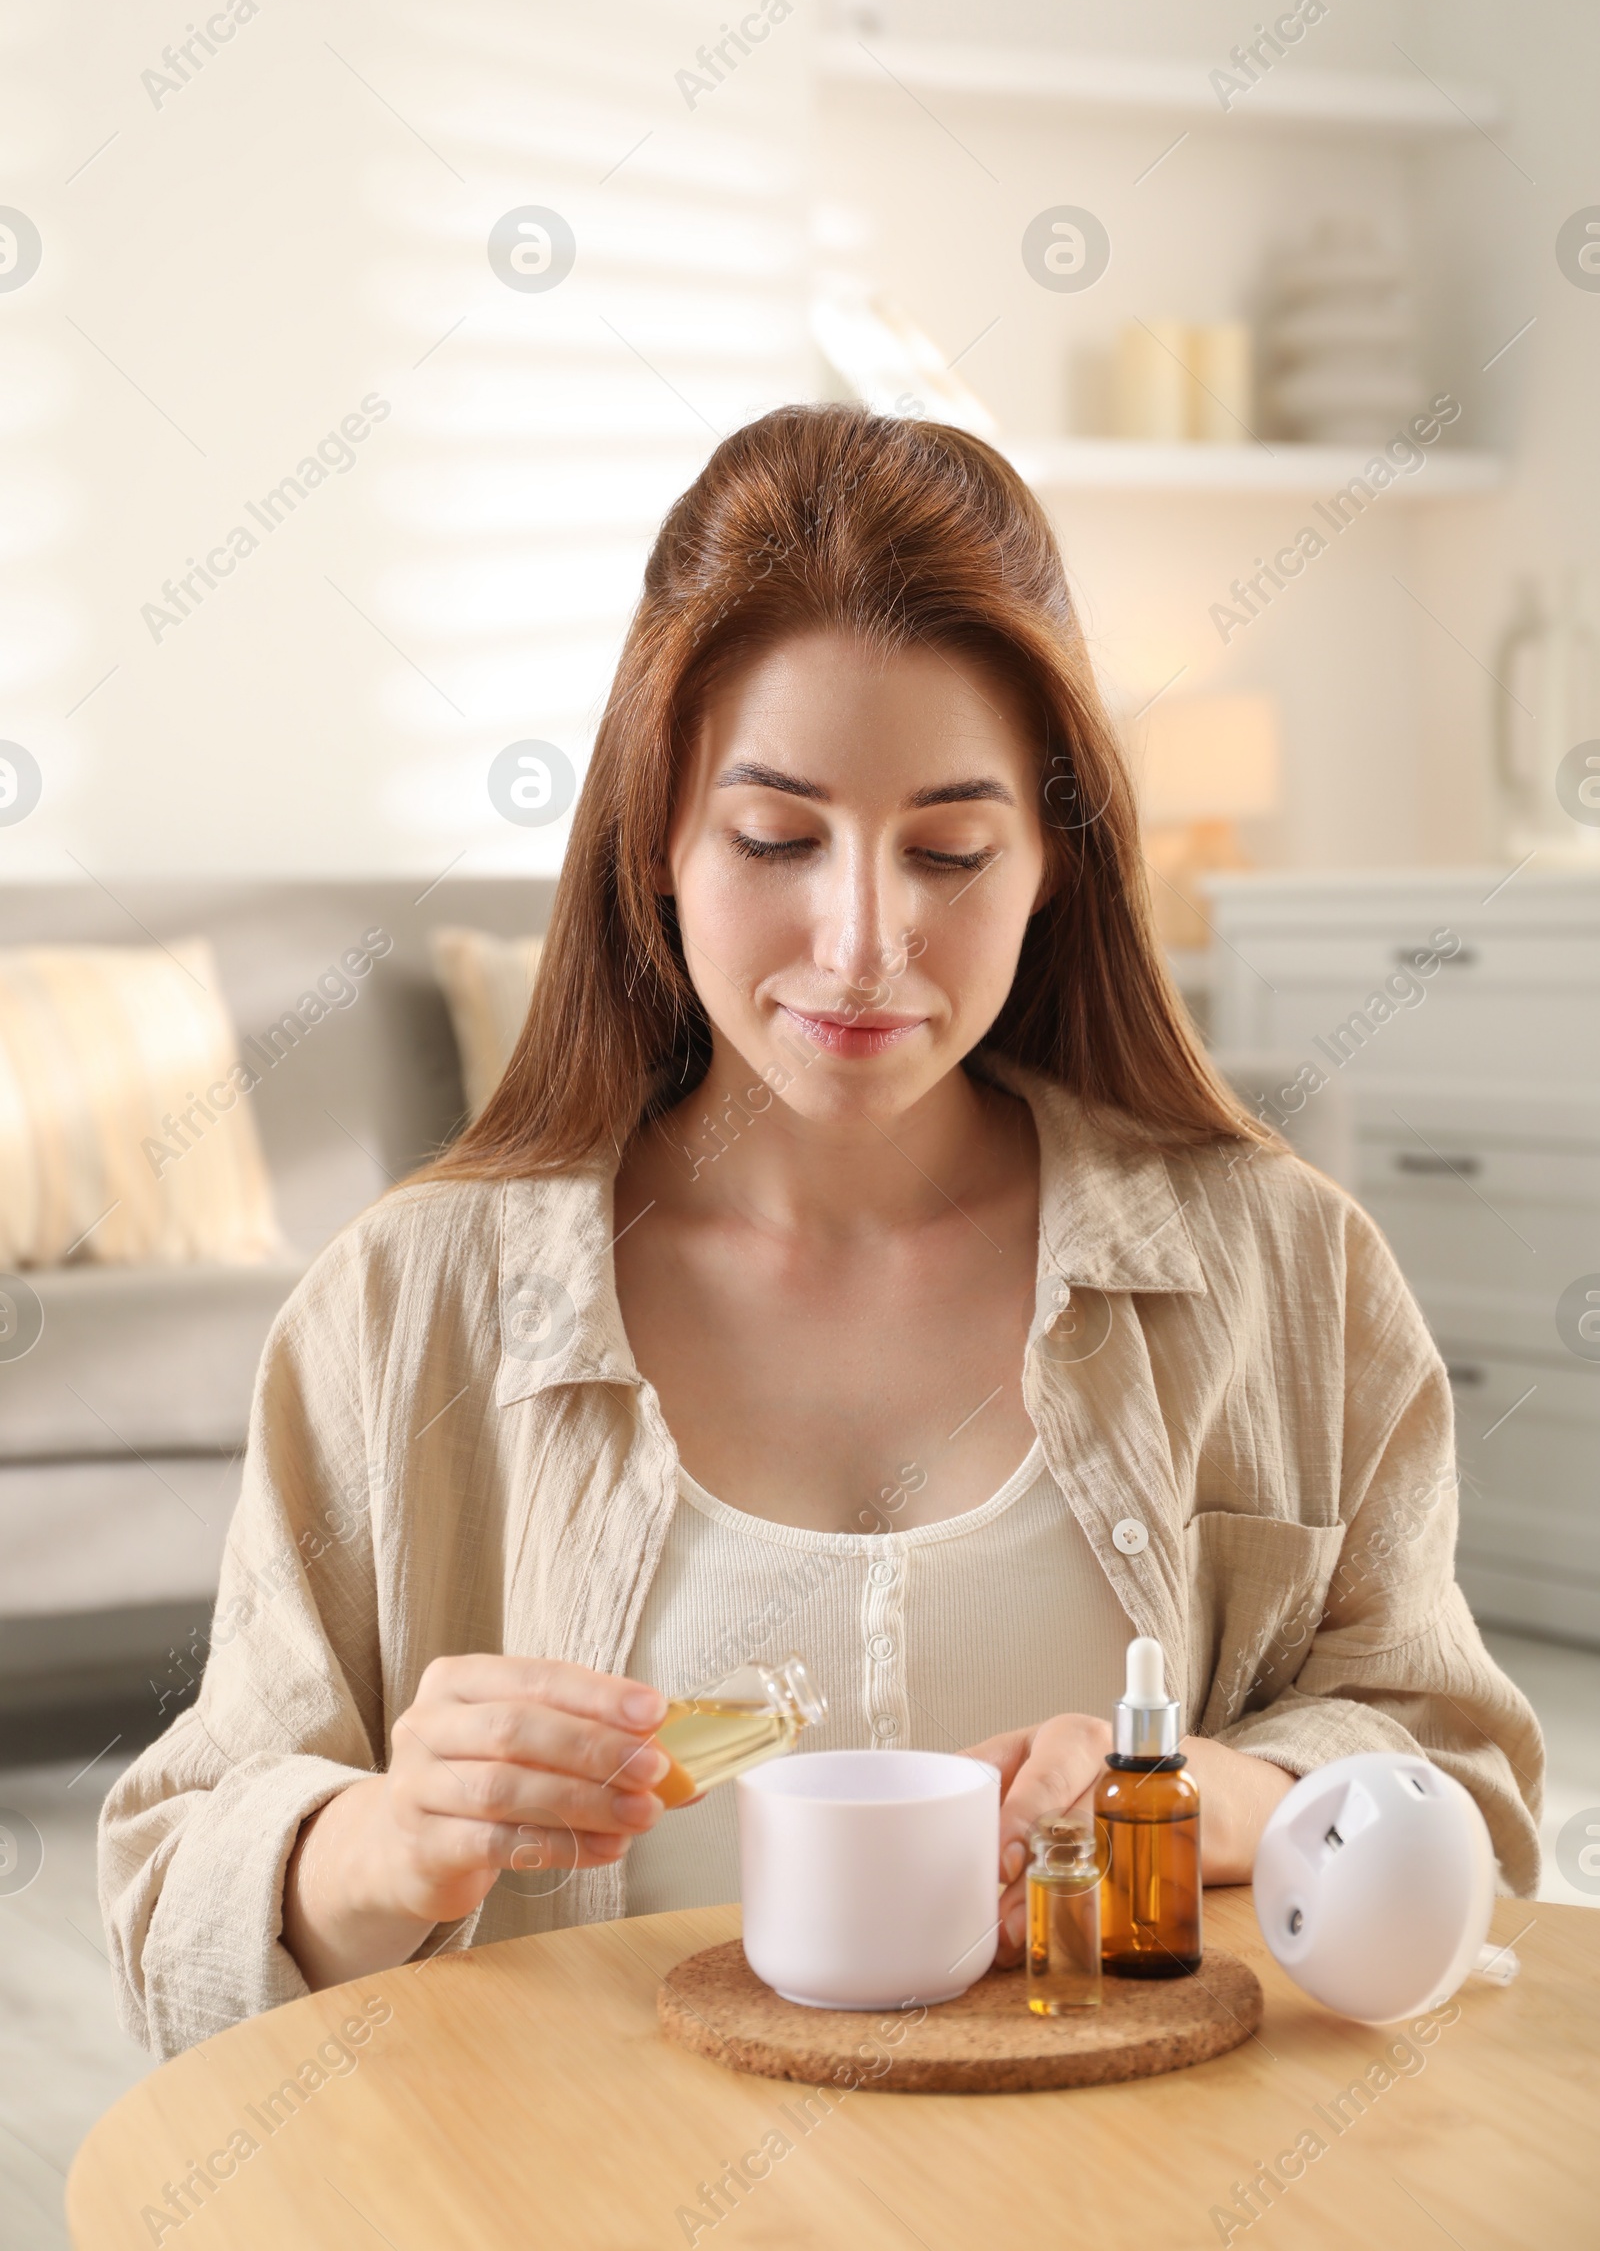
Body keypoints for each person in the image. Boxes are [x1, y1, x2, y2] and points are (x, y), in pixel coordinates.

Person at [101, 407, 1541, 2058]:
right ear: (656, 840)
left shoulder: (1286, 1274)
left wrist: (1216, 1796)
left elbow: (1472, 1804)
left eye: (949, 848)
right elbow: (170, 1927)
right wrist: (380, 1847)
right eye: (775, 838)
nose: (865, 944)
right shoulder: (403, 1311)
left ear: (1057, 856)